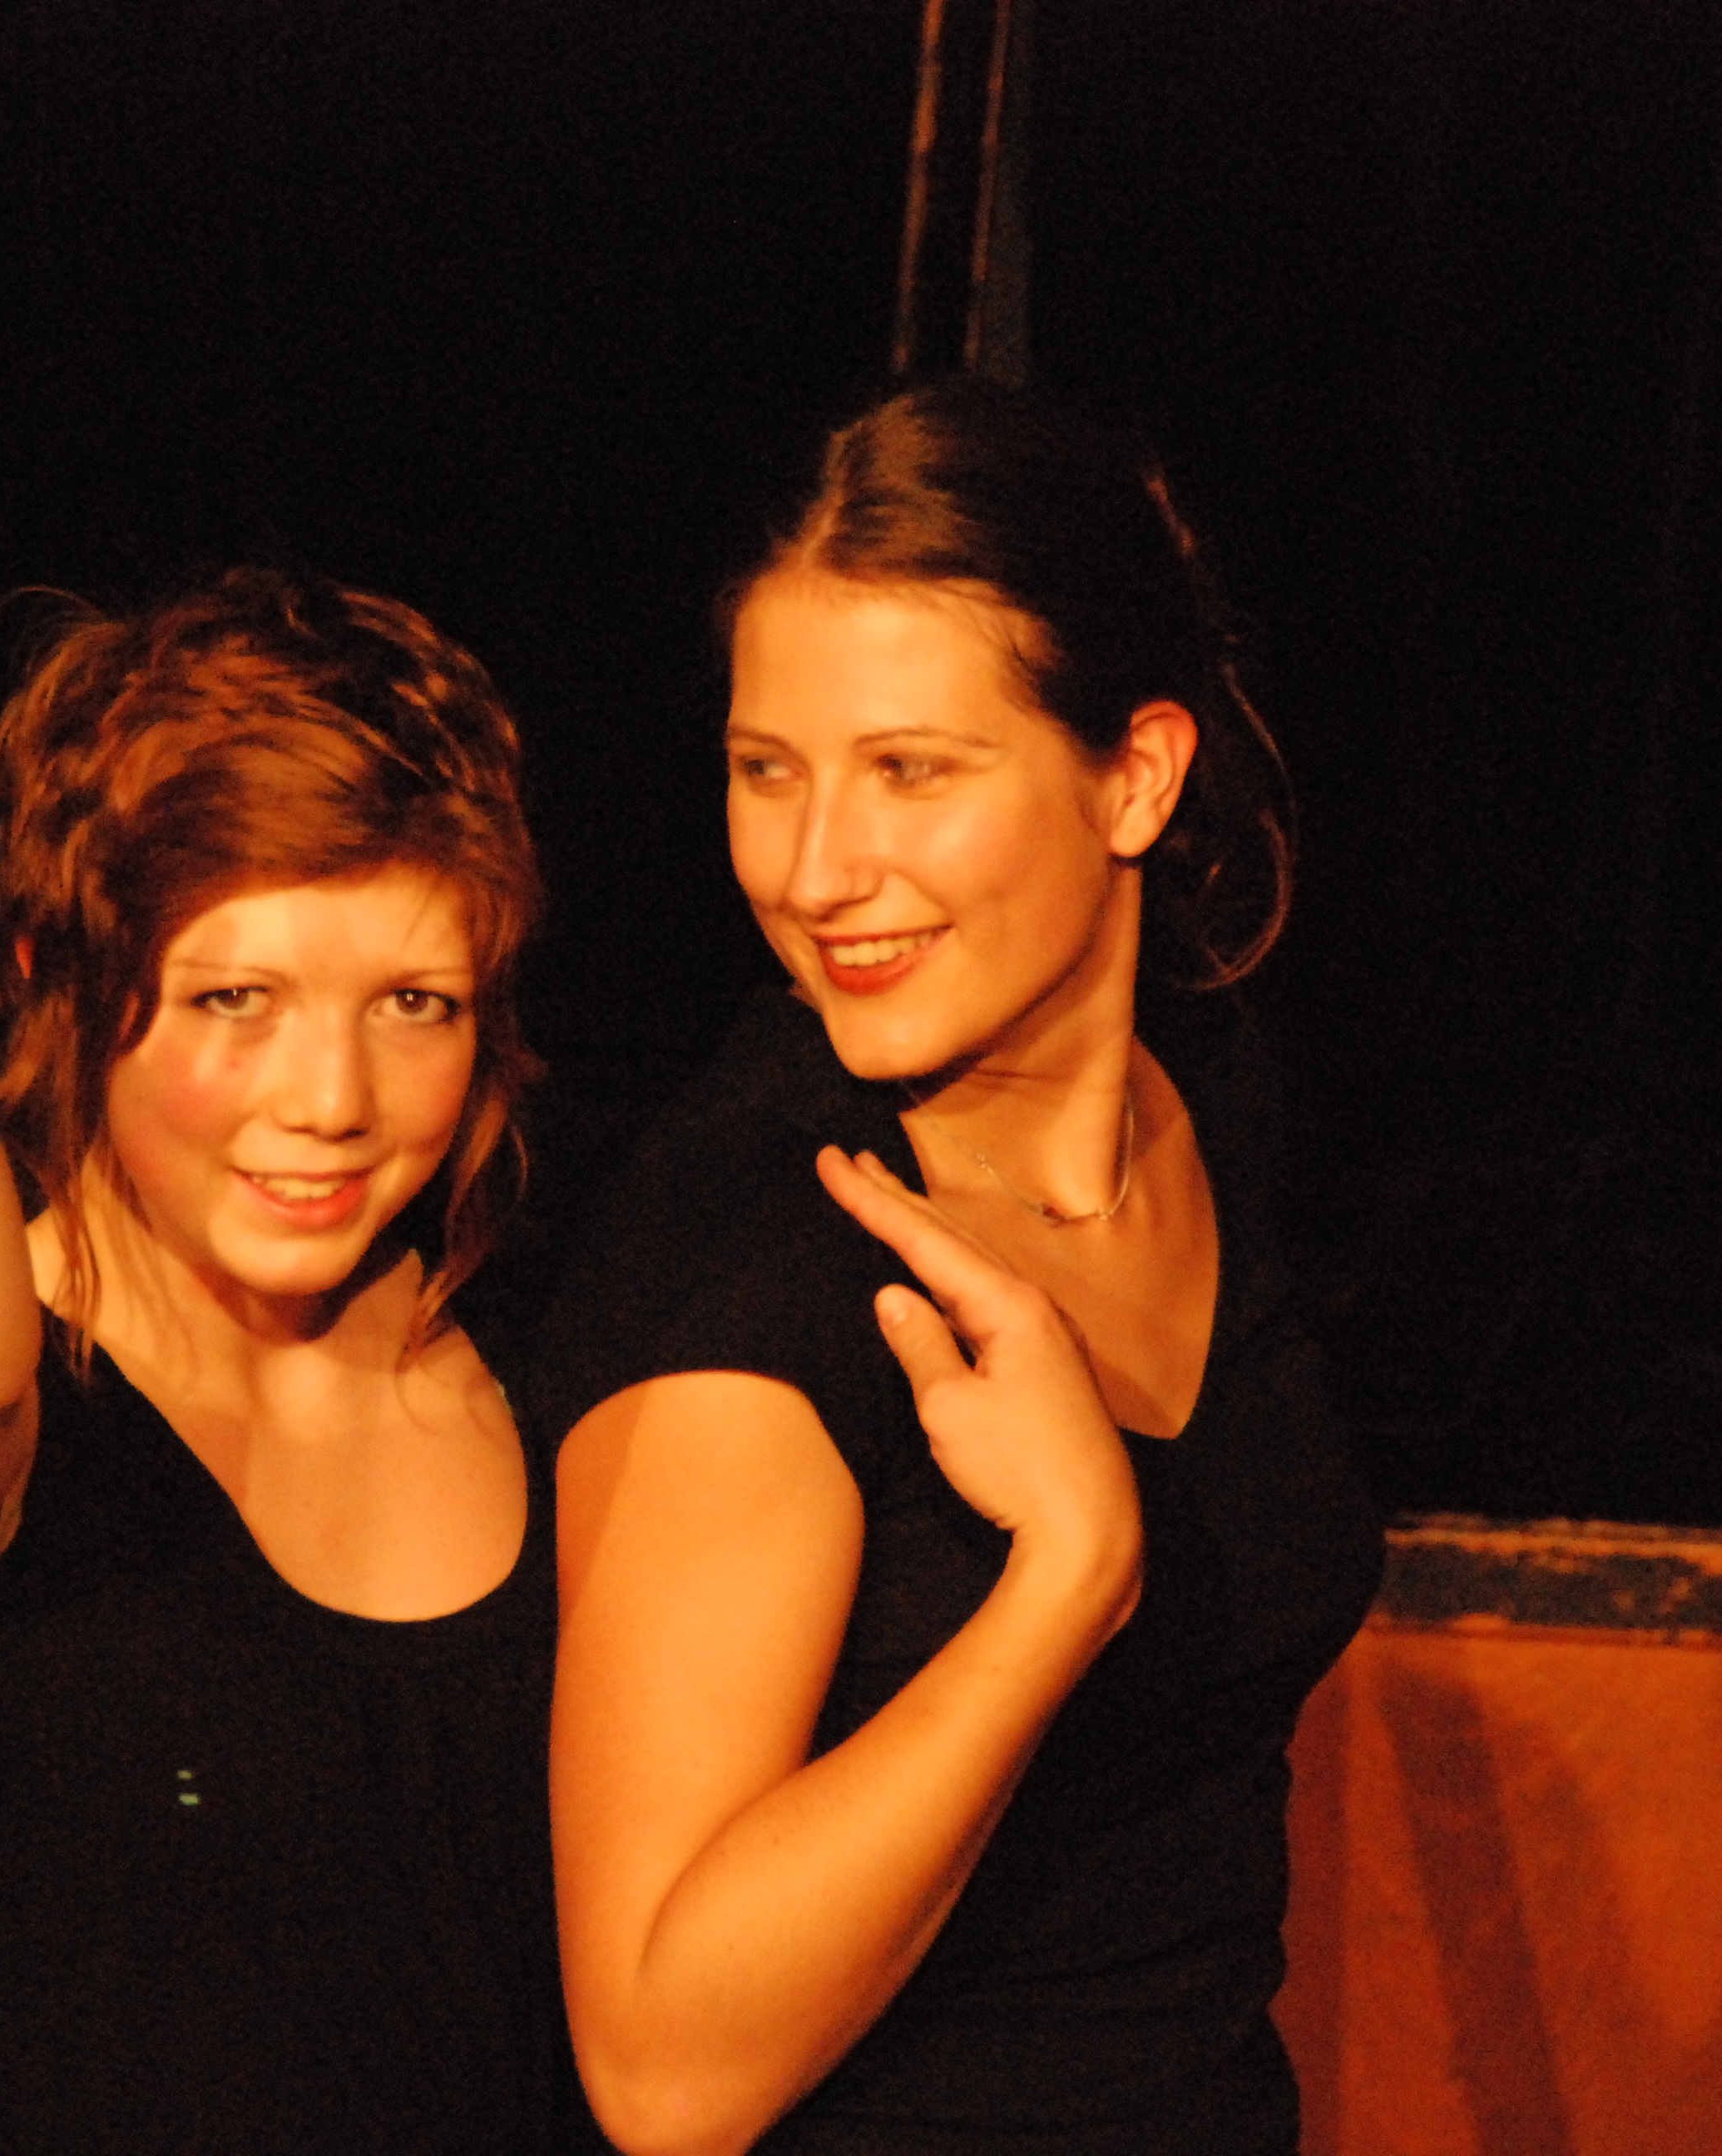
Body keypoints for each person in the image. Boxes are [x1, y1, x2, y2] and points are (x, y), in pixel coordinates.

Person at [529, 379, 1385, 2156]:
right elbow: (663, 2071)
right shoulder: (758, 1275)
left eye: (910, 771)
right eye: (767, 772)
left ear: (1133, 778)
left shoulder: (1210, 1099)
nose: (815, 871)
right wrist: (1063, 1580)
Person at [0, 568, 596, 2154]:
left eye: (414, 1003)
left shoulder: (548, 1357)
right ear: (62, 978)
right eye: (236, 998)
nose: (333, 1098)